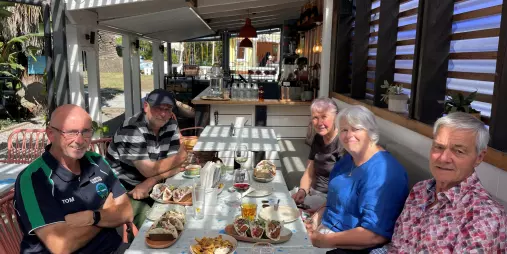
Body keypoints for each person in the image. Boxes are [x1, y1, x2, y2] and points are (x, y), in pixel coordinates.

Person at [14, 104, 133, 254]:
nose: (79, 140)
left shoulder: (96, 161)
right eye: (70, 132)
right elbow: (62, 246)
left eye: (86, 131)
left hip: (113, 249)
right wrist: (106, 212)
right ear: (51, 134)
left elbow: (127, 212)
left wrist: (92, 216)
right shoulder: (33, 178)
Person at [387, 112, 506, 253]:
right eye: (439, 147)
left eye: (459, 151)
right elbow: (396, 246)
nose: (443, 158)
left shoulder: (485, 216)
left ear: (479, 157)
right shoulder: (420, 190)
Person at [305, 105, 409, 252]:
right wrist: (315, 220)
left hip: (348, 247)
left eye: (356, 129)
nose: (349, 136)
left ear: (371, 131)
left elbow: (374, 235)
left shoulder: (386, 173)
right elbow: (332, 199)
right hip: (325, 233)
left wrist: (324, 240)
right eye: (344, 130)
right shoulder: (347, 160)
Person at [106, 88, 188, 229]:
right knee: (154, 225)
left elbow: (177, 164)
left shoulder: (171, 124)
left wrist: (151, 181)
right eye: (158, 108)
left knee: (185, 208)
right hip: (124, 191)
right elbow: (151, 170)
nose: (163, 114)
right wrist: (178, 158)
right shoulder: (131, 129)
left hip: (150, 185)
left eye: (168, 109)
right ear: (146, 107)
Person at [292, 98, 342, 211]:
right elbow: (309, 172)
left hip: (328, 199)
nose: (319, 123)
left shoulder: (342, 143)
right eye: (315, 117)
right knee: (283, 198)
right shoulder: (318, 138)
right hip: (312, 193)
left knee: (289, 209)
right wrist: (302, 191)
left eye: (324, 117)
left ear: (336, 117)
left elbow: (343, 188)